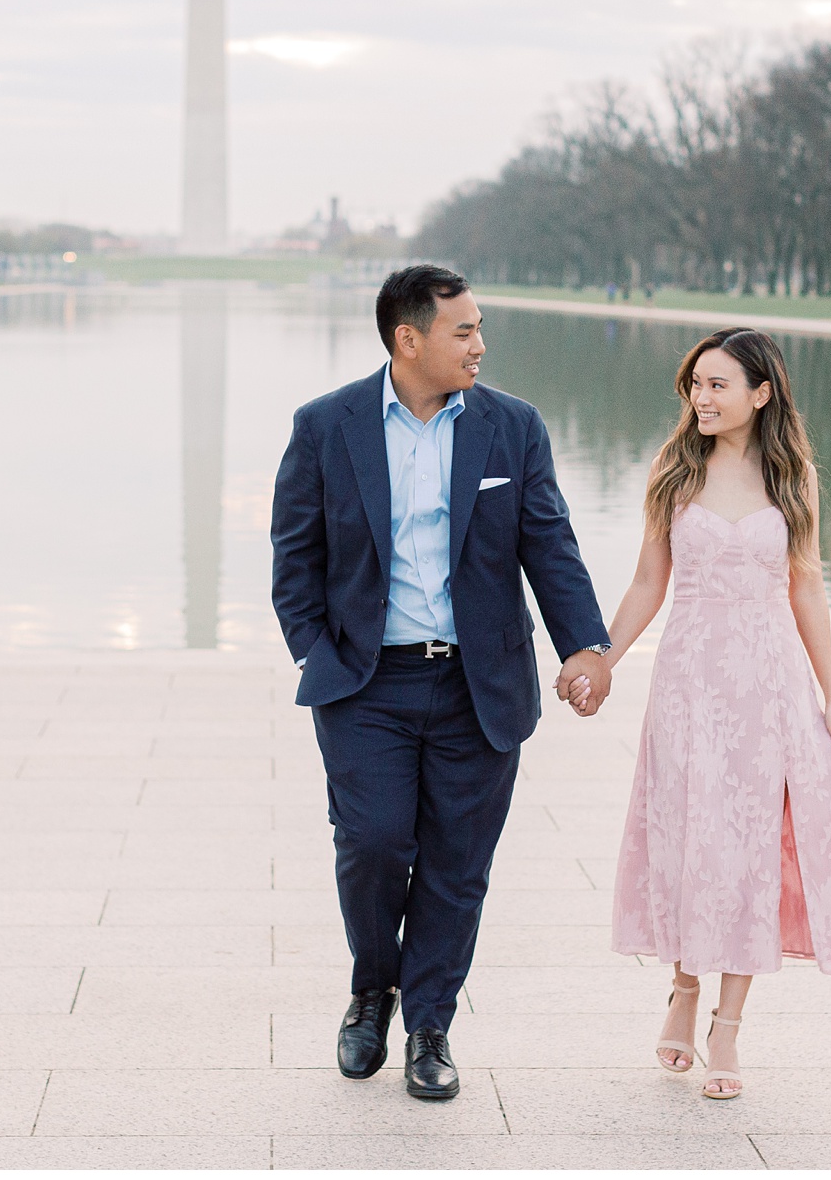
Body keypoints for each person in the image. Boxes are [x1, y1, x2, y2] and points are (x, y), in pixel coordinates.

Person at [270, 264, 611, 1101]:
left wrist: (585, 647)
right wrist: (316, 650)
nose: (481, 344)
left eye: (480, 326)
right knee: (375, 843)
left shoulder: (514, 428)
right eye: (464, 330)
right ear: (408, 338)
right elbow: (294, 556)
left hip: (478, 684)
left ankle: (429, 1024)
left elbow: (550, 545)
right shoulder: (326, 425)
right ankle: (370, 991)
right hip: (365, 683)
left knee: (459, 864)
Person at [563, 326, 831, 1100]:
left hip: (768, 687)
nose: (701, 397)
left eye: (718, 384)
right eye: (695, 384)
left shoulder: (792, 475)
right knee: (686, 834)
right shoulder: (675, 470)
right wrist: (601, 655)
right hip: (689, 683)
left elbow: (806, 587)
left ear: (760, 393)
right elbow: (647, 583)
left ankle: (729, 1024)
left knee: (750, 851)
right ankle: (683, 987)